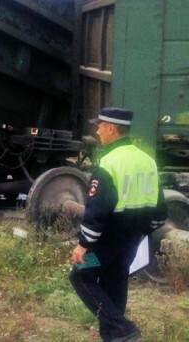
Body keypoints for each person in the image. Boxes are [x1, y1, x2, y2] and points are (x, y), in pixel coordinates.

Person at [70, 107, 168, 342]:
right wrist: (145, 229)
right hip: (132, 238)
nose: (97, 130)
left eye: (100, 126)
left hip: (105, 242)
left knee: (81, 275)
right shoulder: (148, 161)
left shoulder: (108, 162)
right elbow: (160, 208)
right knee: (115, 281)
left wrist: (84, 244)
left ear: (111, 128)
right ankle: (115, 338)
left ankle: (124, 330)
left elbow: (97, 209)